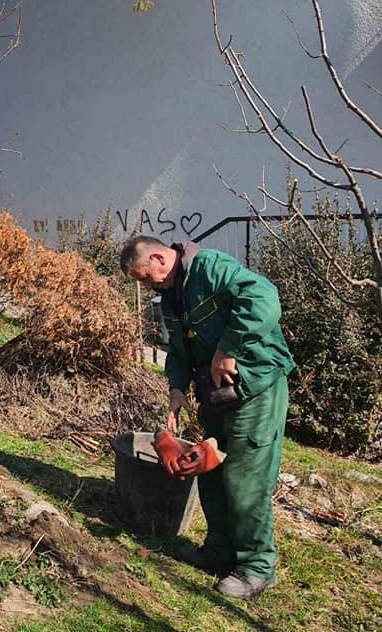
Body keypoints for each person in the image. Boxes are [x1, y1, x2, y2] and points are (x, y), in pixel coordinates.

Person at [120, 235, 295, 601]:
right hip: (214, 393)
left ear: (158, 257)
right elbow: (178, 350)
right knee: (211, 471)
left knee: (244, 478)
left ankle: (258, 568)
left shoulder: (211, 268)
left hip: (256, 388)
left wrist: (229, 348)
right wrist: (176, 390)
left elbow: (264, 298)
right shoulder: (170, 295)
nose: (147, 285)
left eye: (145, 277)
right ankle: (219, 551)